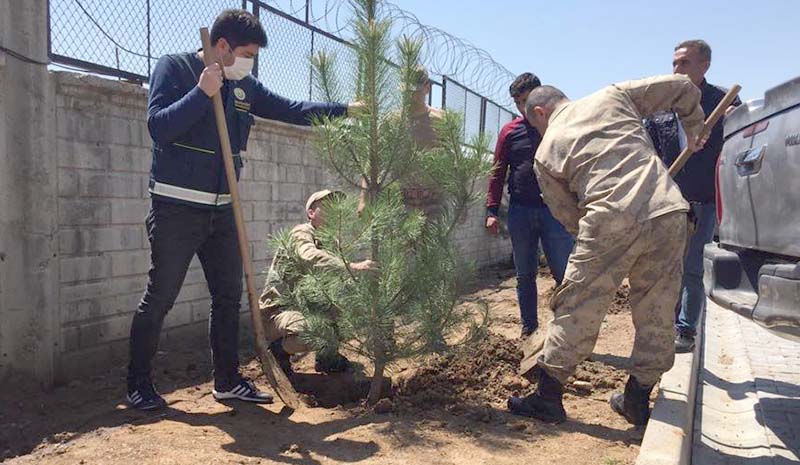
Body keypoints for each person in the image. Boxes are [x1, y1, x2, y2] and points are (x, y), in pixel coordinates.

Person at [126, 9, 362, 411]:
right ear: (222, 46)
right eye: (247, 53)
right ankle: (138, 385)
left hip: (222, 211)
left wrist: (345, 111)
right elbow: (159, 127)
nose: (250, 62)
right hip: (177, 210)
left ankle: (228, 381)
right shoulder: (176, 68)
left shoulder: (243, 85)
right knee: (161, 296)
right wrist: (202, 92)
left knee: (228, 296)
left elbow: (292, 108)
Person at [507, 75, 704, 425]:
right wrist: (694, 127)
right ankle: (638, 398)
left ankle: (548, 397)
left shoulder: (546, 149)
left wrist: (602, 245)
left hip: (608, 217)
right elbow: (682, 86)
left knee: (578, 305)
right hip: (668, 210)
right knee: (657, 309)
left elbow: (568, 215)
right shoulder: (613, 97)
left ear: (539, 112)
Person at [646, 40, 742, 353]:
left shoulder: (722, 102)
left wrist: (733, 121)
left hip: (703, 199)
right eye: (674, 63)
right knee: (665, 266)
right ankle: (666, 322)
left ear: (705, 66)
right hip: (668, 200)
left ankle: (685, 330)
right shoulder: (663, 105)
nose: (677, 69)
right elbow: (650, 150)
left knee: (692, 267)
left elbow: (739, 145)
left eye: (684, 63)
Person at [485, 73, 574, 338]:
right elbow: (497, 172)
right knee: (525, 275)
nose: (523, 108)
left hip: (555, 213)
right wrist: (491, 210)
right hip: (520, 211)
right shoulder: (510, 132)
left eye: (526, 100)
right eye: (517, 103)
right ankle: (529, 330)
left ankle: (567, 332)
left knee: (565, 274)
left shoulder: (561, 129)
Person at [259, 190, 378, 376]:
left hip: (306, 308)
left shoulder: (331, 243)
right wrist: (352, 266)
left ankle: (327, 359)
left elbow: (337, 284)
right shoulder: (301, 233)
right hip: (278, 311)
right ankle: (278, 350)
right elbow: (309, 256)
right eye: (326, 206)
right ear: (311, 213)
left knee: (345, 318)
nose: (333, 211)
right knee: (317, 331)